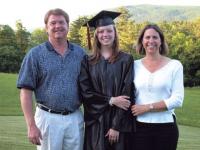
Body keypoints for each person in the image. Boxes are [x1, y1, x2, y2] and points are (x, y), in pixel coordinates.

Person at [17, 8, 85, 150]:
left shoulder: (80, 53)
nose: (57, 26)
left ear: (67, 26)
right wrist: (31, 126)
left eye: (61, 22)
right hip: (48, 118)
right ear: (46, 28)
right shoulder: (35, 55)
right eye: (53, 23)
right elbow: (25, 91)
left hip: (74, 117)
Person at [79, 10, 135, 150]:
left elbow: (127, 93)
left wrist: (116, 126)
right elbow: (85, 92)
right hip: (96, 122)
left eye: (109, 31)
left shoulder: (126, 59)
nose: (105, 35)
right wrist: (111, 100)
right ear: (96, 35)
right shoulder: (87, 61)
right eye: (101, 31)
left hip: (119, 124)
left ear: (115, 33)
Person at [131, 24, 184, 150]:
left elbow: (177, 99)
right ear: (142, 41)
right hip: (139, 128)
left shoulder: (174, 65)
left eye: (155, 37)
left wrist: (147, 107)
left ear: (161, 41)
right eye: (147, 37)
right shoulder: (133, 65)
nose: (151, 41)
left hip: (166, 127)